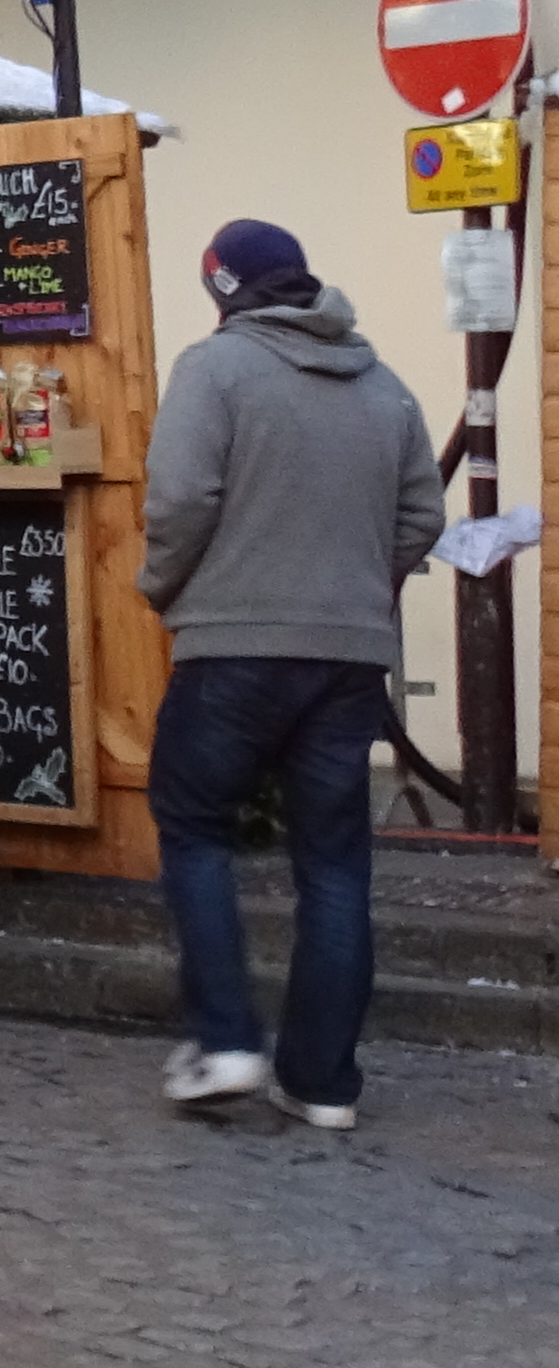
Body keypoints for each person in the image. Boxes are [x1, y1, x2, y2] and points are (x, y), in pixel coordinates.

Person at [137, 218, 440, 1129]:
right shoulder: (384, 385)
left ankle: (227, 1040)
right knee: (335, 866)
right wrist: (357, 590)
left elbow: (181, 499)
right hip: (349, 659)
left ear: (224, 288)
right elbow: (421, 517)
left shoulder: (214, 369)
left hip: (231, 646)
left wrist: (162, 586)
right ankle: (323, 1083)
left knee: (195, 827)